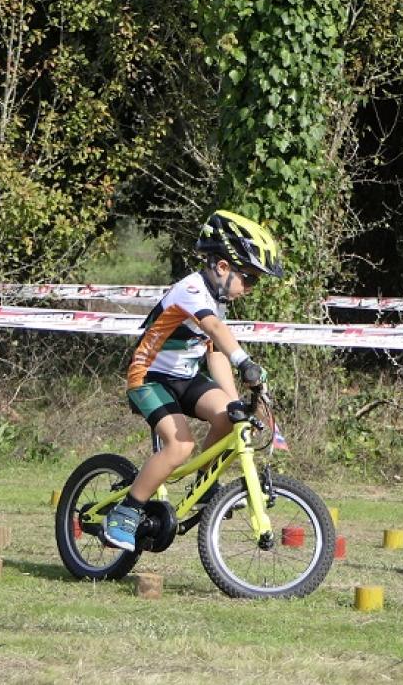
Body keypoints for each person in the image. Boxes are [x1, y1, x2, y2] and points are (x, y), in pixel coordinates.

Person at [101, 210, 284, 551]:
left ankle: (205, 485)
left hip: (184, 378)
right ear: (222, 267)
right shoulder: (192, 289)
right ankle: (125, 512)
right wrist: (244, 360)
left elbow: (214, 353)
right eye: (249, 278)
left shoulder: (218, 299)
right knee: (180, 445)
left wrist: (237, 404)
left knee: (229, 418)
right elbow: (215, 329)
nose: (250, 288)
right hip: (150, 377)